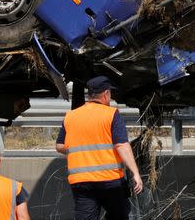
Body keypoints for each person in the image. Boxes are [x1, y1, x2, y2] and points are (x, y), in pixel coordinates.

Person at [56, 76, 143, 220]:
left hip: (81, 181)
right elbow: (121, 145)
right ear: (106, 94)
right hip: (109, 180)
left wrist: (80, 148)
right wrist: (135, 172)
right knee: (120, 214)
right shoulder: (111, 114)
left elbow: (60, 146)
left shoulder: (71, 116)